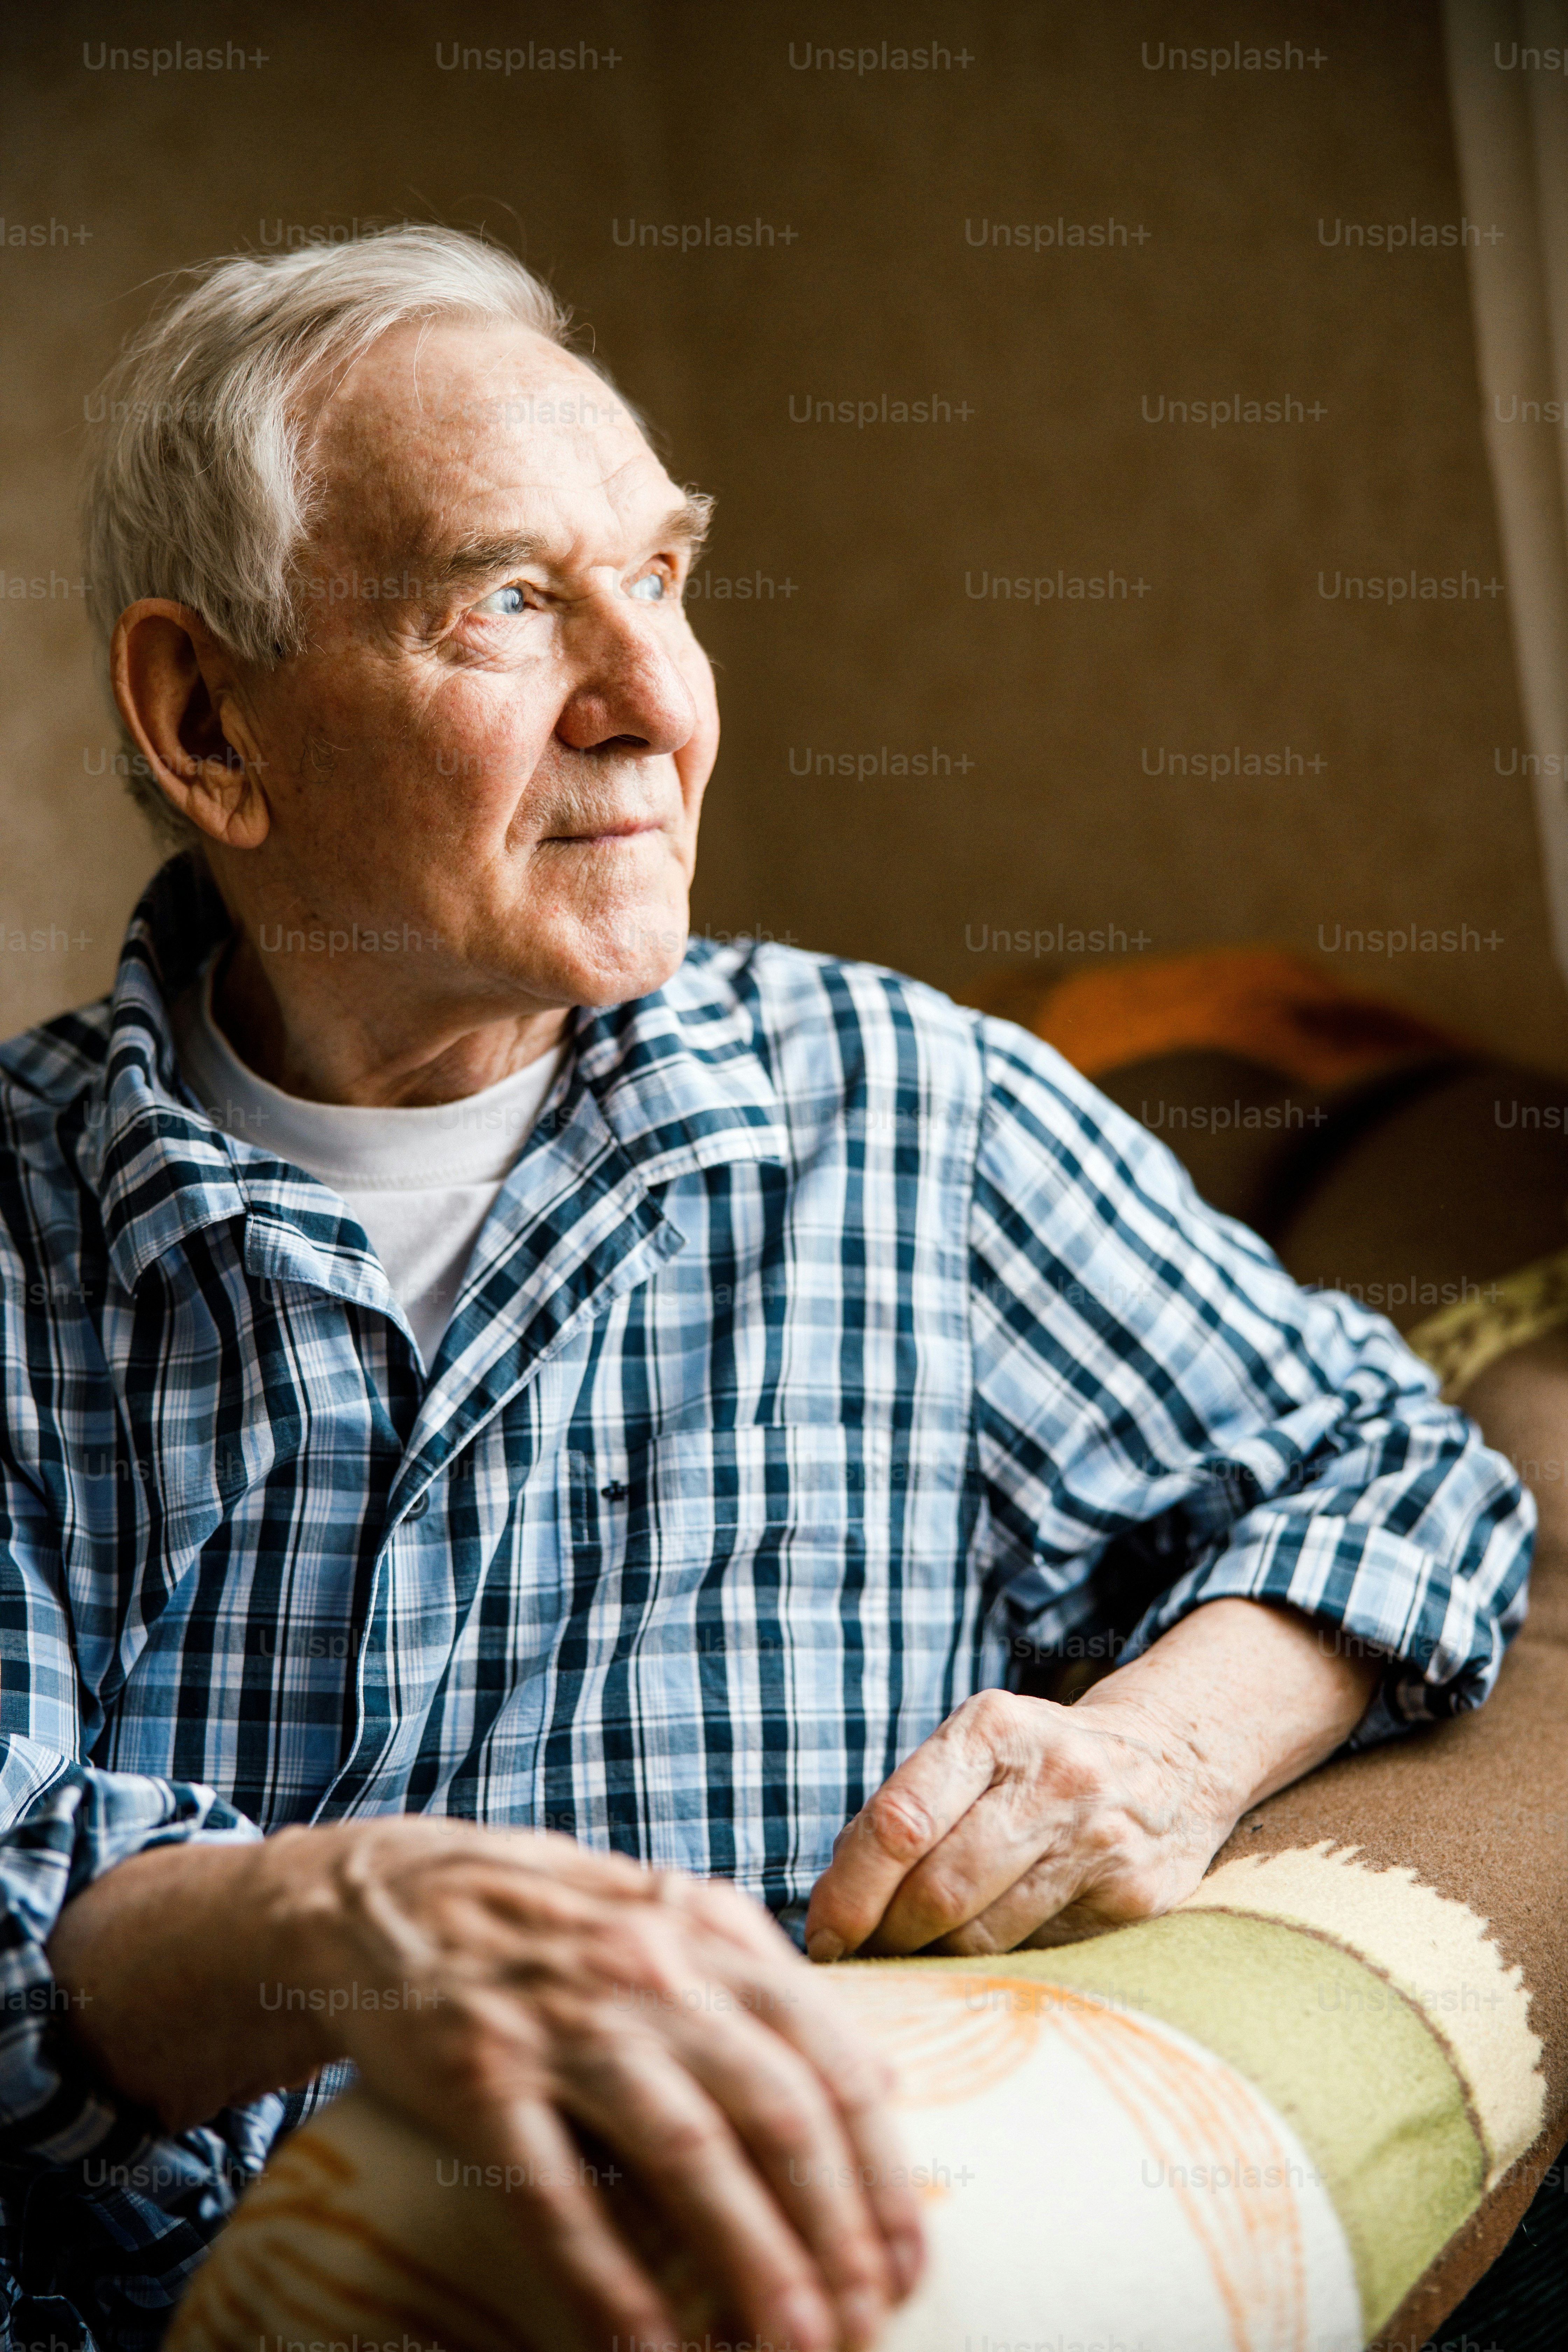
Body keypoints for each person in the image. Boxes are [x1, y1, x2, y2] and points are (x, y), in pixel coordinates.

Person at [0, 227, 1531, 2352]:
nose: (653, 706)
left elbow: (1403, 1474)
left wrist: (1170, 1745)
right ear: (205, 718)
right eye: (513, 604)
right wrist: (336, 1924)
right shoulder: (12, 1236)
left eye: (667, 581)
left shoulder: (920, 1121)